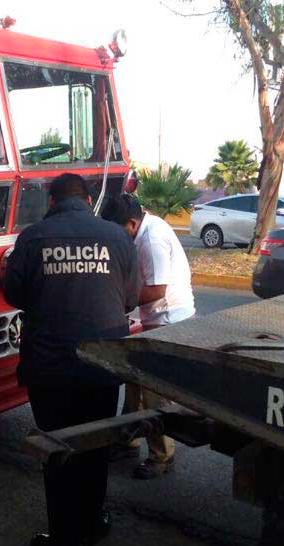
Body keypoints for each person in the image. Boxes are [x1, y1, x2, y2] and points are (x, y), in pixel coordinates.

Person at [2, 174, 141, 546]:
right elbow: (131, 299)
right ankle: (93, 523)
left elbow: (13, 293)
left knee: (58, 448)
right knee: (95, 446)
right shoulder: (117, 237)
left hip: (50, 366)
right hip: (104, 364)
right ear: (90, 198)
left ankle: (63, 536)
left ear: (51, 201)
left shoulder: (32, 238)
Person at [101, 193, 195, 480]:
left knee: (155, 393)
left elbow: (156, 290)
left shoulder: (152, 240)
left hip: (168, 320)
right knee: (134, 384)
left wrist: (117, 300)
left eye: (117, 231)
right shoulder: (142, 230)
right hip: (155, 318)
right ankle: (129, 441)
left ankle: (162, 456)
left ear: (131, 223)